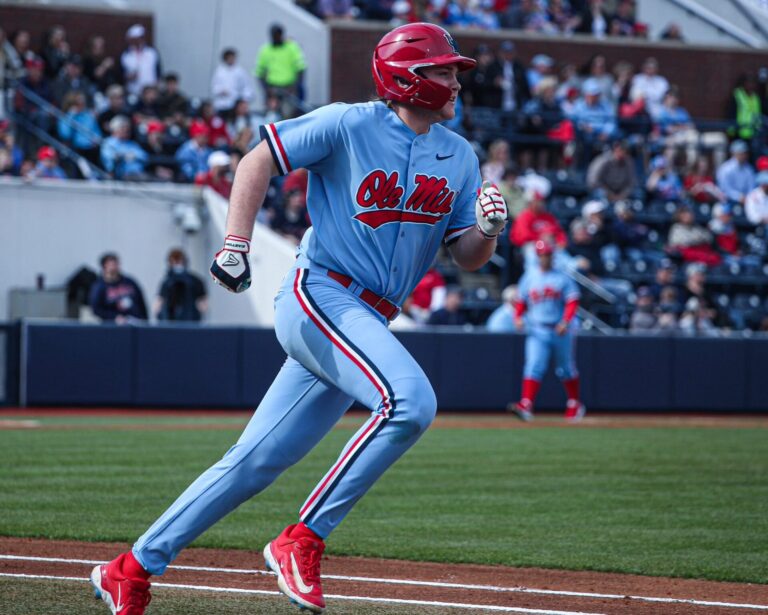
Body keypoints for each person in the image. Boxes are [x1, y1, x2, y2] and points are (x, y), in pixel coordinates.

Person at [90, 23, 507, 615]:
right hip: (323, 293)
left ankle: (128, 569)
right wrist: (235, 243)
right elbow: (258, 157)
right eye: (442, 70)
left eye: (452, 71)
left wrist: (487, 232)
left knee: (252, 463)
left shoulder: (458, 155)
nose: (455, 80)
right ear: (406, 78)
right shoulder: (349, 123)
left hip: (368, 319)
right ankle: (301, 539)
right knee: (410, 402)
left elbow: (466, 256)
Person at [509, 240, 584, 423]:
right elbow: (521, 300)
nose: (545, 257)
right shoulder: (529, 277)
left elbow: (572, 301)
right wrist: (518, 317)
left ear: (552, 255)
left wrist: (566, 321)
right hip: (537, 329)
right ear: (537, 256)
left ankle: (574, 403)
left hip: (560, 329)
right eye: (542, 254)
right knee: (533, 366)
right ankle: (526, 405)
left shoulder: (562, 277)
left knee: (566, 368)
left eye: (548, 254)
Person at [255, 23, 306, 106]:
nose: (276, 37)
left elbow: (301, 68)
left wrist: (295, 87)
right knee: (272, 116)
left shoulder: (292, 47)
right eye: (274, 35)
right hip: (273, 88)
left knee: (289, 115)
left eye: (278, 35)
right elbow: (259, 72)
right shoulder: (265, 50)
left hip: (289, 88)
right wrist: (267, 90)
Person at [88, 252, 148, 323]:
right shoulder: (99, 286)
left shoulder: (130, 282)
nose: (115, 267)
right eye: (112, 264)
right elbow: (96, 309)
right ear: (104, 266)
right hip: (112, 327)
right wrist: (114, 317)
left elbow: (141, 303)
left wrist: (144, 320)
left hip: (134, 324)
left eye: (116, 263)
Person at [155, 248, 207, 322]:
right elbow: (158, 303)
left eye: (179, 261)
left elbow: (203, 305)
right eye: (174, 262)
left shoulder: (195, 281)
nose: (177, 264)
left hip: (191, 321)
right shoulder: (167, 283)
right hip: (170, 322)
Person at [100, 115, 148, 180]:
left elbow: (144, 156)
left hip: (137, 173)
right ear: (115, 129)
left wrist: (134, 156)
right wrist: (124, 155)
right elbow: (109, 157)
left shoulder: (131, 144)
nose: (126, 130)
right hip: (120, 175)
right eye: (123, 128)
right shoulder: (108, 142)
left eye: (127, 128)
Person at [121, 24, 161, 97]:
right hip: (134, 92)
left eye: (139, 39)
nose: (138, 42)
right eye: (134, 39)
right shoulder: (126, 55)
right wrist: (129, 77)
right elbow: (122, 74)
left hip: (151, 92)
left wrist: (157, 86)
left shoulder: (152, 52)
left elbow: (158, 71)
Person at [211, 48, 255, 114]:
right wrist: (221, 91)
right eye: (229, 57)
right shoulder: (219, 71)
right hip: (221, 104)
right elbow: (214, 87)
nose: (231, 59)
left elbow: (246, 87)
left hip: (234, 105)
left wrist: (244, 99)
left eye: (232, 57)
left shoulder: (240, 71)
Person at [716, 140, 755, 204]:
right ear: (734, 153)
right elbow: (724, 188)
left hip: (747, 201)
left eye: (745, 153)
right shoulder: (725, 169)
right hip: (728, 201)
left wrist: (748, 197)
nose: (743, 156)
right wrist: (738, 197)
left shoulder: (749, 169)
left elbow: (751, 186)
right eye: (741, 153)